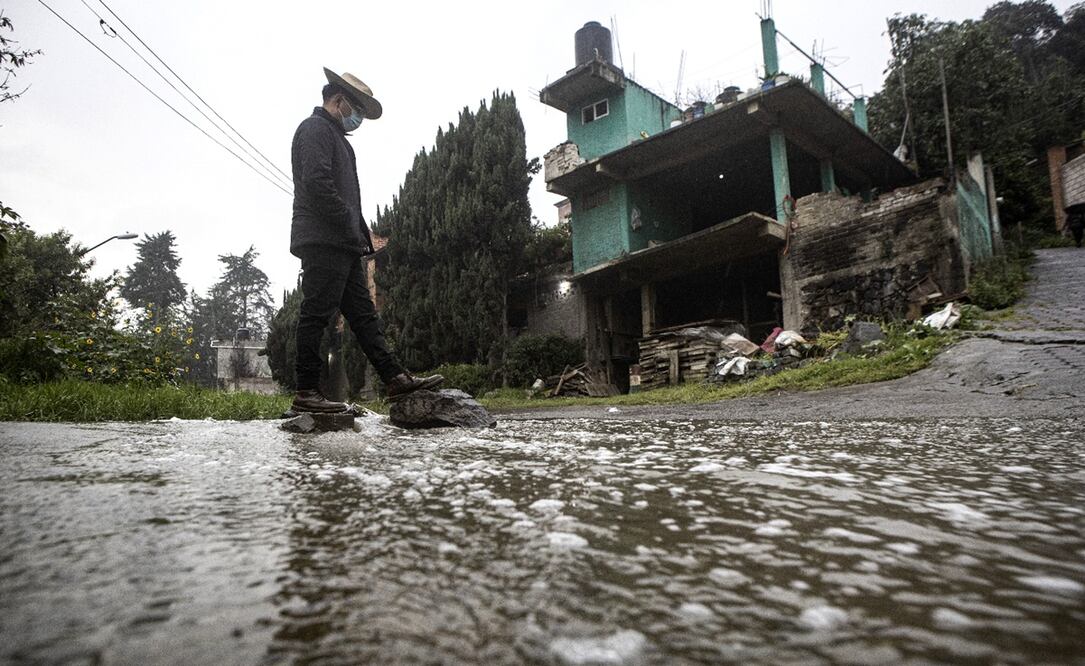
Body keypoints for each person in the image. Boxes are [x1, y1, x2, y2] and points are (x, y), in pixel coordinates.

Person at [289, 68, 442, 413]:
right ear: (339, 100)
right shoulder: (314, 129)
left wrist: (358, 232)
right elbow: (316, 183)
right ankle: (306, 392)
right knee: (316, 313)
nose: (357, 119)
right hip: (324, 239)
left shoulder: (336, 137)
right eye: (355, 109)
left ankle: (394, 380)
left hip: (343, 242)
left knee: (363, 316)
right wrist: (348, 223)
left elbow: (344, 195)